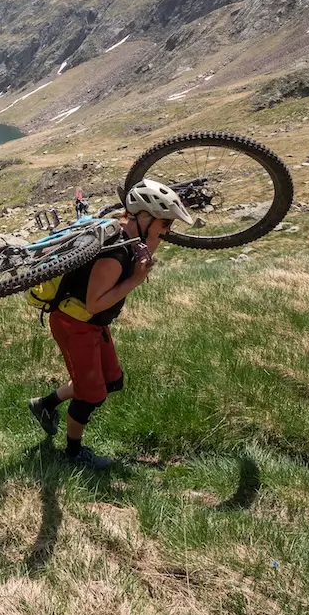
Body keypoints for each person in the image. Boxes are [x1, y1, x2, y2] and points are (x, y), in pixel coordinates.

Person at [28, 180, 194, 469]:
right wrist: (135, 280)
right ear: (143, 217)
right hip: (75, 324)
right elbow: (94, 303)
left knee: (111, 381)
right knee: (91, 394)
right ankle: (73, 453)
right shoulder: (116, 255)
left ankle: (45, 405)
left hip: (92, 324)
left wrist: (146, 253)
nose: (168, 230)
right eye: (165, 224)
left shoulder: (129, 239)